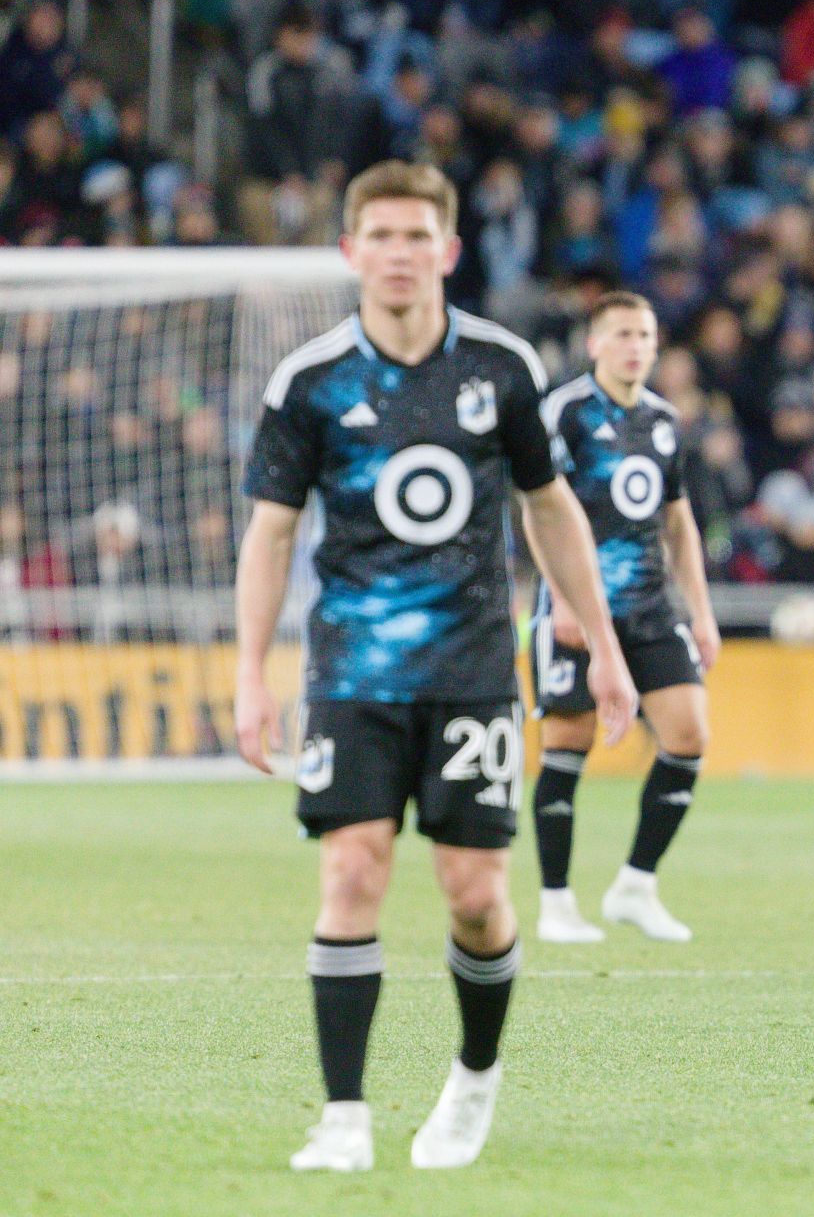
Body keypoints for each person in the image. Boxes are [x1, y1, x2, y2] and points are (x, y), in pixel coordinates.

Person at [234, 160, 639, 1173]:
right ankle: (344, 1116)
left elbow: (551, 509)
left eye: (420, 236)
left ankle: (473, 1078)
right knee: (353, 869)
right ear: (350, 251)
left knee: (473, 893)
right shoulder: (312, 381)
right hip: (351, 674)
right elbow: (270, 536)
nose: (402, 254)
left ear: (450, 251)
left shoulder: (502, 370)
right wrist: (248, 672)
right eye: (383, 236)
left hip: (469, 673)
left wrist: (605, 645)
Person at [528, 291, 721, 944]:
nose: (635, 345)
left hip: (646, 601)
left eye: (645, 333)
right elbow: (537, 510)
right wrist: (559, 597)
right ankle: (556, 901)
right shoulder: (566, 412)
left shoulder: (665, 420)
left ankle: (636, 884)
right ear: (594, 344)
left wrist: (700, 611)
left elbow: (677, 520)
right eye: (621, 334)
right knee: (567, 746)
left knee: (689, 733)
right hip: (578, 606)